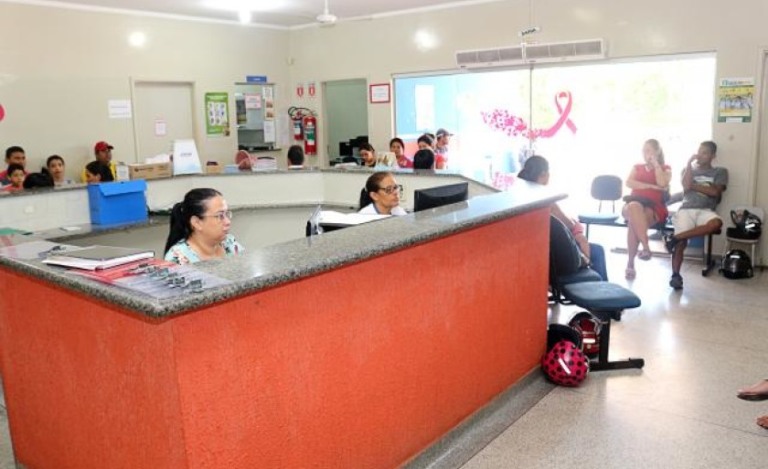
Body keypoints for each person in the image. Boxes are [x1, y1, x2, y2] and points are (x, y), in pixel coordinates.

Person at [517, 155, 607, 281]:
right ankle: (597, 287)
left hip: (539, 253)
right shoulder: (547, 202)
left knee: (594, 248)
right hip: (557, 257)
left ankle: (598, 286)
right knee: (597, 251)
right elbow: (568, 224)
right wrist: (576, 224)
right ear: (544, 174)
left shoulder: (519, 196)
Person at [664, 141, 727, 290]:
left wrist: (692, 186)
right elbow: (685, 186)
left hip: (706, 210)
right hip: (686, 209)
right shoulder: (688, 170)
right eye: (699, 151)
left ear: (712, 156)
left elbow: (715, 192)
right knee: (681, 244)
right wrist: (688, 164)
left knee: (716, 223)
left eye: (705, 152)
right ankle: (676, 276)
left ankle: (674, 238)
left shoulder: (720, 172)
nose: (700, 155)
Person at [621, 139, 672, 280]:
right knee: (634, 206)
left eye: (648, 150)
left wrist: (656, 165)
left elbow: (662, 183)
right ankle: (645, 246)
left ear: (657, 151)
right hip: (633, 203)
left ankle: (630, 263)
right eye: (643, 150)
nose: (645, 153)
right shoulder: (637, 167)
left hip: (653, 207)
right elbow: (629, 182)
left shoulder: (665, 168)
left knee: (634, 223)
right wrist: (651, 186)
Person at [164, 188, 244, 264]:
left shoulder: (230, 243)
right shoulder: (178, 259)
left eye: (226, 214)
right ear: (197, 222)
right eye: (220, 216)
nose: (228, 222)